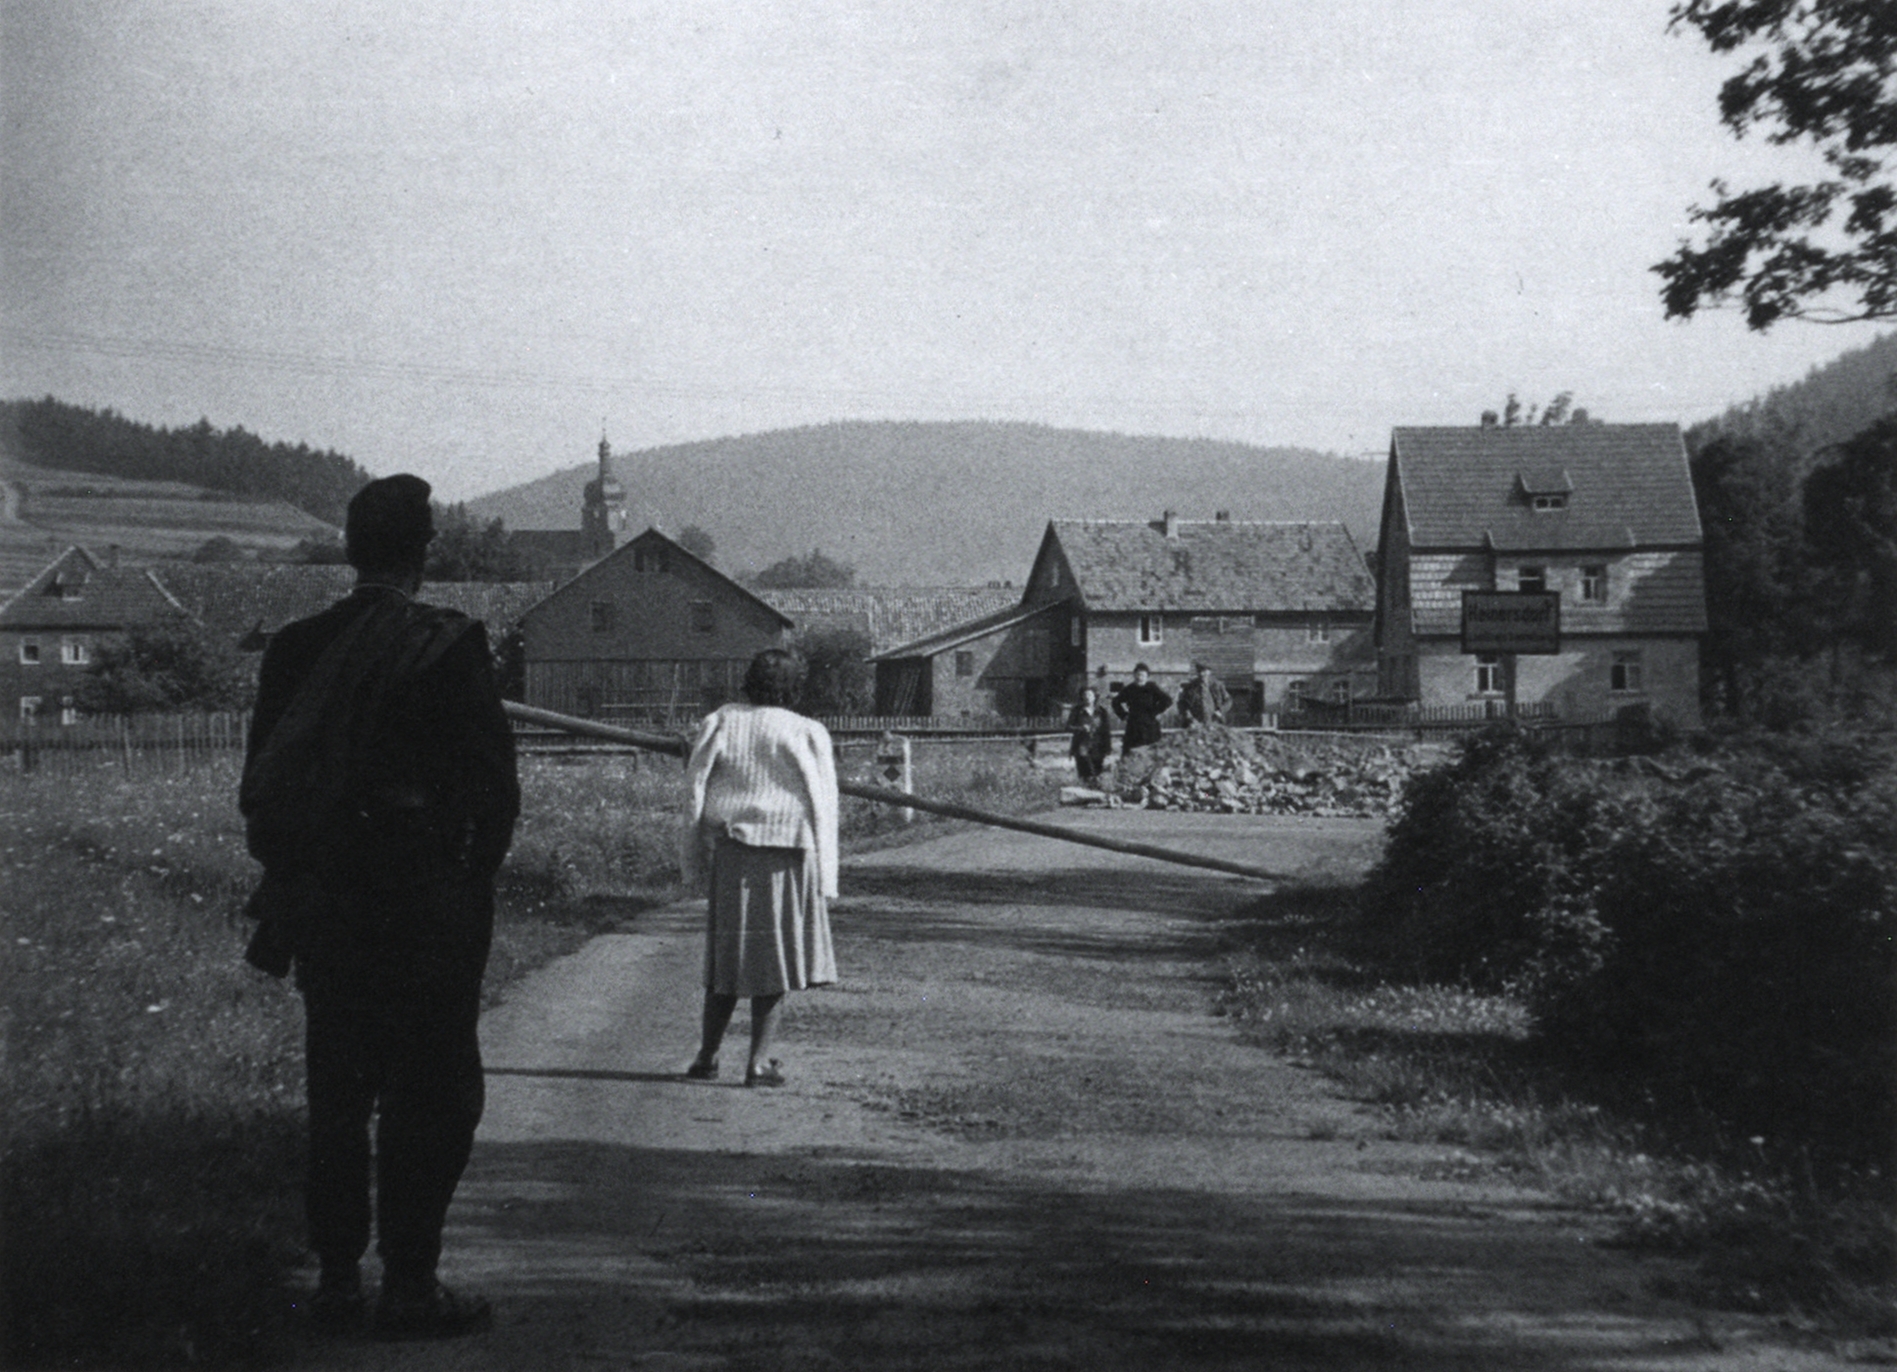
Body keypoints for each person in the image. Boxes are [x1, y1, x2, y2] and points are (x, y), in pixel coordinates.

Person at [241, 474, 518, 1340]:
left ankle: (332, 1281)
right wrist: (470, 885)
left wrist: (298, 879)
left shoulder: (296, 647)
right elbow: (493, 791)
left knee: (338, 1088)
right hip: (425, 900)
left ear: (351, 549)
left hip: (328, 899)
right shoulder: (447, 643)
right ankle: (409, 1283)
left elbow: (263, 783)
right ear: (422, 552)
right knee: (432, 1092)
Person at [680, 649, 839, 1089]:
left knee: (727, 958)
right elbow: (825, 803)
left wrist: (694, 850)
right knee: (774, 958)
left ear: (748, 681)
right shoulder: (806, 731)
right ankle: (757, 1062)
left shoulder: (722, 721)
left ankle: (707, 1056)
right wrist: (827, 872)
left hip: (733, 852)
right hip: (787, 855)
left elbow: (698, 780)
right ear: (794, 687)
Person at [1111, 662, 1172, 753]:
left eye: (1143, 675)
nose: (1140, 678)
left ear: (1147, 676)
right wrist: (1124, 715)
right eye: (1138, 674)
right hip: (1134, 725)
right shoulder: (1129, 689)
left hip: (1150, 725)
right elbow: (1115, 702)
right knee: (1131, 753)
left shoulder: (1152, 688)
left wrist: (1155, 712)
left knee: (1151, 752)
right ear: (1134, 675)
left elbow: (1167, 700)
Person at [1066, 685, 1113, 783]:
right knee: (1086, 770)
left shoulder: (1101, 711)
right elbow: (1068, 727)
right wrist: (1081, 728)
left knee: (1097, 772)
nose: (1087, 697)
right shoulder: (1077, 711)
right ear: (1082, 697)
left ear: (1095, 696)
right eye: (1085, 695)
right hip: (1082, 744)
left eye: (1090, 695)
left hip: (1098, 745)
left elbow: (1106, 731)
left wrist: (1108, 749)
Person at [1177, 662, 1233, 727]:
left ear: (1209, 672)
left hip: (1215, 722)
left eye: (1204, 672)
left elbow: (1229, 700)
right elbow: (1181, 703)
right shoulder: (1190, 687)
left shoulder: (1217, 685)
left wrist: (1220, 711)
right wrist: (1188, 717)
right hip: (1195, 724)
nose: (1202, 674)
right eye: (1199, 672)